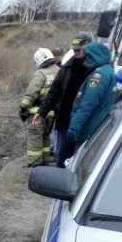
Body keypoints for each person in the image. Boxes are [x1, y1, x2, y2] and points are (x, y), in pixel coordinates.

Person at [33, 33, 92, 167]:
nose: (76, 53)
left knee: (84, 159)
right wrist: (42, 112)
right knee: (63, 156)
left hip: (87, 121)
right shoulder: (67, 67)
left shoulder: (95, 69)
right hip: (66, 120)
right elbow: (54, 91)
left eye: (79, 50)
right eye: (74, 50)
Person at [67, 42, 116, 146]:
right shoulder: (108, 71)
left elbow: (87, 104)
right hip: (96, 128)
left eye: (86, 59)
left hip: (89, 131)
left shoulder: (99, 75)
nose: (84, 63)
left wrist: (73, 128)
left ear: (95, 56)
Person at [20, 48, 59, 167]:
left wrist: (23, 108)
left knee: (34, 137)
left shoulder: (40, 74)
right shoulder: (58, 70)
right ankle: (46, 160)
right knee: (46, 136)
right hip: (52, 113)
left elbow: (31, 94)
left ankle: (35, 164)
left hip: (37, 114)